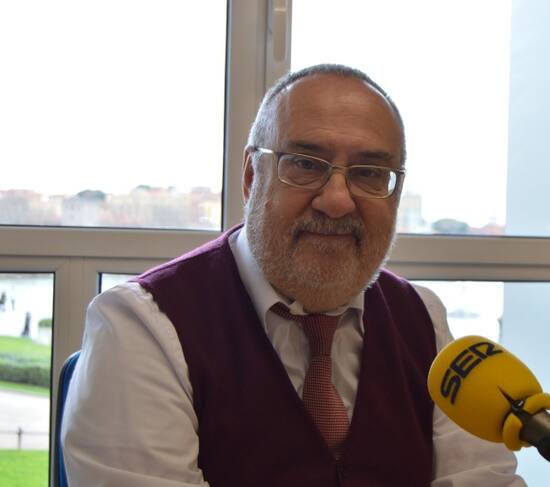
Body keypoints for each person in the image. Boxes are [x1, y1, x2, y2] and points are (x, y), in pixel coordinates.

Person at [62, 64, 525, 486]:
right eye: (305, 164)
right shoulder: (143, 325)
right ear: (251, 176)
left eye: (369, 173)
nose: (338, 200)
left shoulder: (424, 321)